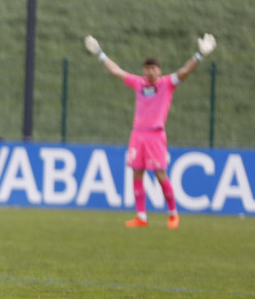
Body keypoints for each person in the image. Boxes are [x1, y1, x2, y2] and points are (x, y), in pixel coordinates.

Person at [84, 33, 216, 229]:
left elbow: (184, 71)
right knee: (137, 173)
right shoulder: (139, 83)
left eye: (154, 68)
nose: (150, 72)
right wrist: (100, 53)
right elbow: (117, 71)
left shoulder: (167, 84)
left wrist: (200, 55)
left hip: (155, 134)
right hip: (138, 133)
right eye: (147, 68)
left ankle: (173, 214)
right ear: (144, 71)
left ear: (159, 70)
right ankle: (141, 217)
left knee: (160, 174)